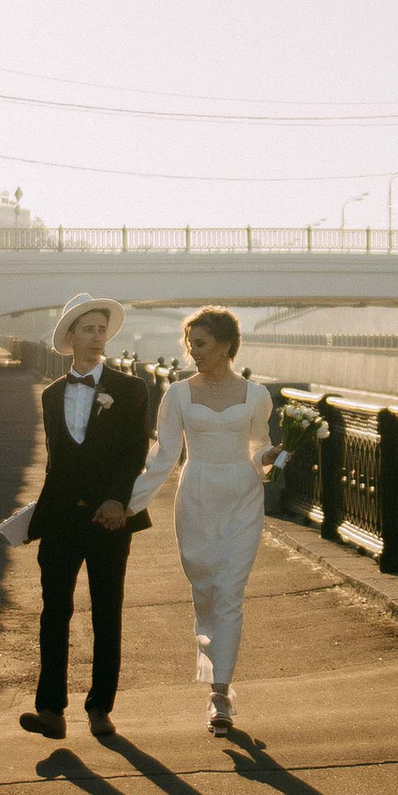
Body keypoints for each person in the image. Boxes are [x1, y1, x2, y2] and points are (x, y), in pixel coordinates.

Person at [3, 296, 158, 739]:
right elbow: (58, 461)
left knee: (107, 611)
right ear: (70, 337)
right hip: (59, 521)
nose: (96, 337)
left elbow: (135, 451)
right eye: (87, 329)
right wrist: (37, 516)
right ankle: (51, 710)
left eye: (100, 329)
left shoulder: (130, 389)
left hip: (110, 519)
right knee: (55, 611)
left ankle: (100, 708)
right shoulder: (51, 394)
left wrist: (117, 501)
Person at [125, 305, 276, 736]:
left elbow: (258, 448)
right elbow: (164, 456)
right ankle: (215, 679)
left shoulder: (256, 395)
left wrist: (272, 458)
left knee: (229, 591)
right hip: (196, 497)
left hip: (243, 498)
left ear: (226, 345)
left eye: (203, 343)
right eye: (190, 343)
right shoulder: (178, 394)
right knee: (205, 590)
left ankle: (220, 693)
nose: (194, 351)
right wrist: (128, 504)